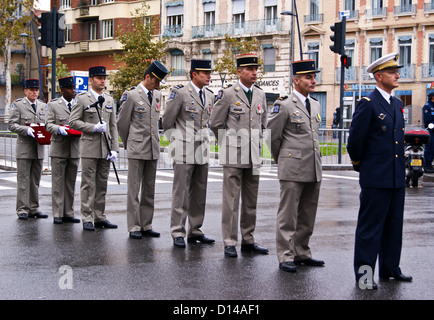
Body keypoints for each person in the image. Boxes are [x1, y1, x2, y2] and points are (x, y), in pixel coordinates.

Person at [347, 53, 412, 289]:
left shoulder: (396, 103)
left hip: (396, 178)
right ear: (378, 76)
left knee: (394, 227)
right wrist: (361, 166)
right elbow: (355, 142)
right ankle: (365, 276)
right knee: (369, 230)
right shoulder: (368, 104)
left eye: (397, 71)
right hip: (375, 178)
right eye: (392, 72)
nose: (397, 75)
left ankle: (390, 269)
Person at [267, 60, 324, 273]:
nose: (313, 81)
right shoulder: (284, 104)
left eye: (314, 76)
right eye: (308, 77)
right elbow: (273, 137)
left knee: (308, 214)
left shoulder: (316, 104)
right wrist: (282, 159)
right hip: (292, 167)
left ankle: (302, 252)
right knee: (288, 215)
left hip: (313, 166)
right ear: (296, 80)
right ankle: (285, 255)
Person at [209, 53, 268, 257]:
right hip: (234, 155)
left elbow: (264, 123)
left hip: (253, 154)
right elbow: (215, 123)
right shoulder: (227, 94)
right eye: (250, 69)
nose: (254, 73)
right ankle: (230, 241)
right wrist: (227, 143)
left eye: (256, 69)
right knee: (232, 201)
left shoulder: (260, 94)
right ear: (239, 72)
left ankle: (248, 239)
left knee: (251, 200)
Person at [162, 59, 215, 248]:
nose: (209, 76)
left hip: (202, 149)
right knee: (181, 192)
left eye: (209, 72)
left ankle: (195, 230)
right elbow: (167, 121)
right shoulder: (181, 93)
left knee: (199, 192)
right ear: (194, 74)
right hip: (184, 149)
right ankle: (177, 230)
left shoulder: (209, 95)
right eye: (205, 73)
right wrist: (175, 141)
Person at [117, 61, 168, 239]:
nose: (158, 84)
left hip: (152, 148)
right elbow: (122, 123)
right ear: (147, 77)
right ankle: (134, 226)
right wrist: (130, 142)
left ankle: (146, 224)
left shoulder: (157, 95)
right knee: (133, 190)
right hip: (136, 147)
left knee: (149, 189)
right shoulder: (131, 95)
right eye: (156, 81)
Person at [69, 66, 119, 231]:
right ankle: (87, 217)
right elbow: (73, 122)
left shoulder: (109, 99)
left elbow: (113, 126)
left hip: (105, 148)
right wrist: (93, 127)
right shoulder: (82, 99)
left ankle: (99, 216)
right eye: (99, 78)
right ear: (91, 80)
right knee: (88, 184)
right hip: (90, 146)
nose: (102, 80)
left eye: (104, 77)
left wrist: (115, 149)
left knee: (102, 183)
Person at [8, 79, 48, 220]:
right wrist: (27, 129)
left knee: (35, 180)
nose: (34, 92)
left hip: (38, 148)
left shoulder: (43, 106)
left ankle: (34, 208)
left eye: (36, 90)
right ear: (25, 91)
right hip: (25, 148)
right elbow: (11, 125)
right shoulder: (18, 105)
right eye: (31, 90)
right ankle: (22, 209)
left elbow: (46, 124)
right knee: (23, 180)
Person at [45, 76, 81, 224]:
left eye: (74, 88)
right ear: (62, 90)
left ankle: (68, 212)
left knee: (70, 183)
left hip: (74, 148)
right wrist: (59, 129)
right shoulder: (53, 105)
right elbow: (48, 125)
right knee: (58, 182)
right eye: (70, 89)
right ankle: (58, 213)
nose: (73, 91)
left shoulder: (78, 104)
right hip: (59, 148)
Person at [422, 92, 434, 173]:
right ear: (432, 97)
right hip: (431, 131)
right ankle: (427, 165)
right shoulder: (427, 106)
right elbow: (427, 121)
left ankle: (430, 164)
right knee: (430, 147)